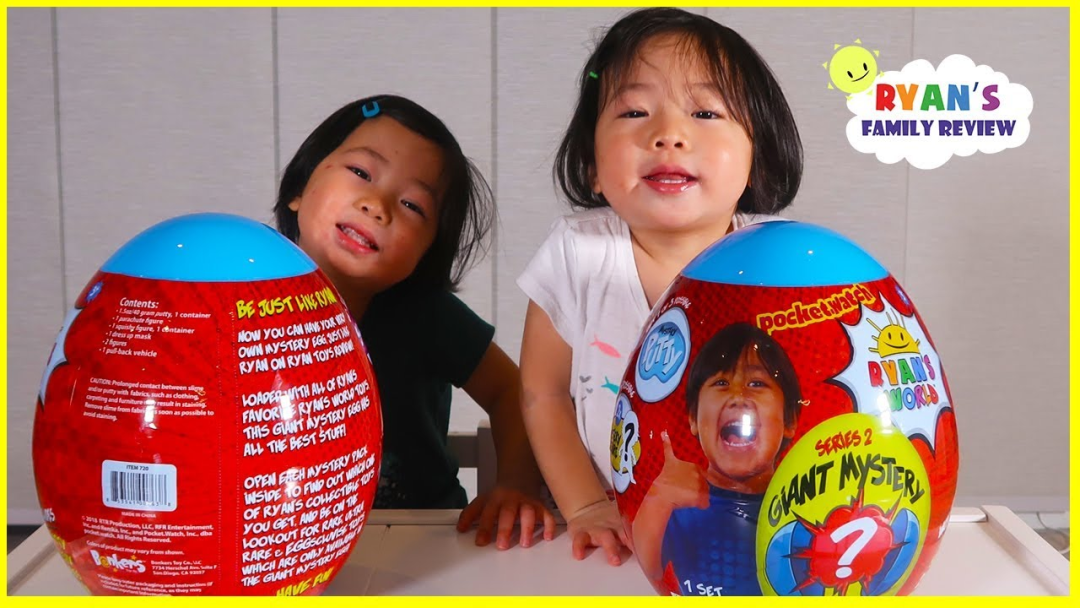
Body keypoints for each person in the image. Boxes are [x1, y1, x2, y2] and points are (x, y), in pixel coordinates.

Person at [517, 7, 803, 565]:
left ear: (756, 160)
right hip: (605, 536)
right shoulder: (575, 253)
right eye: (634, 112)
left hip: (744, 527)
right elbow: (542, 393)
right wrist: (585, 507)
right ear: (592, 164)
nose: (668, 135)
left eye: (705, 112)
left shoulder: (778, 262)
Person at [276, 94, 554, 549]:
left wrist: (517, 483)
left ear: (425, 254)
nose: (377, 204)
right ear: (299, 189)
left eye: (412, 205)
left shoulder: (426, 315)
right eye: (361, 172)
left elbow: (512, 390)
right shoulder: (236, 304)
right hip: (288, 545)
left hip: (425, 536)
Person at [632, 323, 803, 595]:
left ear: (789, 420)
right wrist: (658, 500)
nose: (738, 397)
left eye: (756, 383)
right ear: (693, 418)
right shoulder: (678, 503)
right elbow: (650, 568)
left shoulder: (802, 502)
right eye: (721, 383)